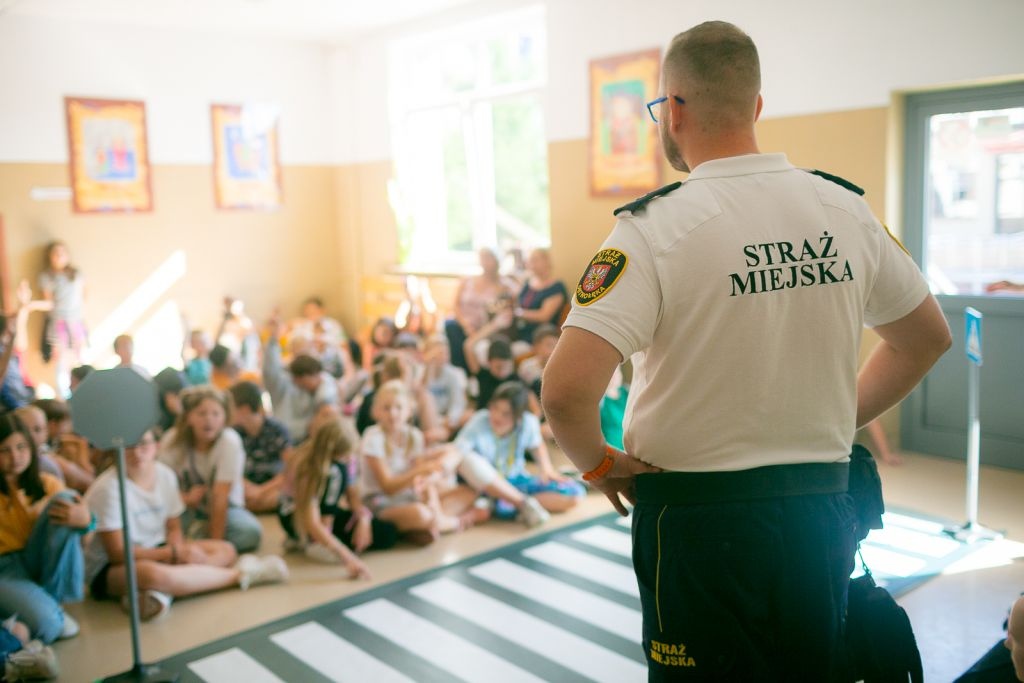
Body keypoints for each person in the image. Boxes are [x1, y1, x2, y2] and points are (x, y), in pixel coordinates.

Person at [541, 21, 952, 681]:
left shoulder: (651, 228)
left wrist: (600, 464)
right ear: (756, 106)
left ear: (673, 111)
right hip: (820, 509)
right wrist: (830, 418)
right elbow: (926, 338)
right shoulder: (842, 209)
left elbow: (564, 391)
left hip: (696, 525)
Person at [85, 429, 287, 621]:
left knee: (225, 550)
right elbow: (118, 553)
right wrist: (172, 555)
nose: (137, 453)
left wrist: (179, 550)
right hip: (112, 567)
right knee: (154, 574)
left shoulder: (164, 475)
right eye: (129, 447)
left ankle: (161, 593)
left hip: (158, 548)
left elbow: (173, 526)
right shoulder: (108, 488)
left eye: (143, 444)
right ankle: (242, 575)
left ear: (155, 446)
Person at [0, 413, 90, 644]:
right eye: (5, 450)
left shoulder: (46, 482)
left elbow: (84, 539)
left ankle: (52, 601)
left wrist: (87, 521)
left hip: (37, 558)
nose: (15, 456)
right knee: (50, 626)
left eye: (21, 447)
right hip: (5, 570)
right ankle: (43, 610)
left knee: (67, 498)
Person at [278, 417, 396, 575]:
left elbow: (352, 495)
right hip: (296, 515)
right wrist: (348, 557)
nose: (348, 460)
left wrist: (363, 519)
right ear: (331, 452)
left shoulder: (347, 460)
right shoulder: (308, 467)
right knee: (334, 475)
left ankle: (317, 539)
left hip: (324, 513)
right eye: (343, 457)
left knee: (385, 533)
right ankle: (310, 541)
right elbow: (311, 520)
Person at [158, 386, 263, 553]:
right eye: (201, 413)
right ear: (188, 417)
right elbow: (159, 487)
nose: (209, 420)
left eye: (216, 414)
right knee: (157, 532)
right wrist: (185, 498)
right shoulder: (172, 440)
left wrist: (216, 547)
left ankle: (194, 543)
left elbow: (220, 497)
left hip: (226, 509)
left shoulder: (230, 441)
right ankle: (190, 541)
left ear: (224, 418)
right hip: (183, 507)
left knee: (250, 532)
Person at [456, 381, 582, 519]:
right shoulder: (480, 420)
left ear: (518, 417)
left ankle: (506, 505)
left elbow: (537, 445)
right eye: (495, 408)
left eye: (506, 414)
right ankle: (512, 503)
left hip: (518, 481)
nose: (497, 416)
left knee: (575, 494)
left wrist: (546, 469)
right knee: (468, 460)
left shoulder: (528, 422)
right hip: (490, 486)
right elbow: (458, 451)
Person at [263, 316, 339, 443]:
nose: (304, 351)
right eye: (298, 348)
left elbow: (328, 407)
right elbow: (270, 371)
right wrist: (273, 339)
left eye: (309, 347)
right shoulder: (283, 383)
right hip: (283, 440)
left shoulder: (322, 381)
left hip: (309, 440)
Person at [445, 248, 518, 371]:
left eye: (489, 259)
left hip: (485, 326)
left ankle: (469, 373)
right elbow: (456, 305)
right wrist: (465, 325)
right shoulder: (467, 280)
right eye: (483, 259)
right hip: (464, 323)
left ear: (496, 261)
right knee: (450, 326)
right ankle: (458, 370)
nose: (485, 263)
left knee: (470, 343)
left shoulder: (503, 285)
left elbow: (513, 303)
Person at [229, 381, 291, 513]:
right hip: (245, 488)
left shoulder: (276, 430)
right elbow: (230, 469)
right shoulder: (233, 433)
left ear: (244, 409)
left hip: (273, 486)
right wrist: (247, 487)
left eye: (230, 407)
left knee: (284, 496)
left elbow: (291, 468)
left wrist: (261, 491)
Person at [36, 242, 87, 398]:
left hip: (76, 320)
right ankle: (63, 395)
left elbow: (84, 293)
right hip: (58, 322)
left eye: (62, 252)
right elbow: (49, 301)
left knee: (80, 355)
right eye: (56, 253)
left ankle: (85, 389)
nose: (59, 256)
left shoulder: (76, 274)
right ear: (50, 257)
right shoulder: (47, 277)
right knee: (60, 358)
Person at [513, 248, 567, 344]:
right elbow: (517, 302)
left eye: (535, 260)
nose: (532, 264)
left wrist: (519, 313)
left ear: (546, 261)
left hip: (541, 335)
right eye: (530, 261)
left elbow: (544, 316)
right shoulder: (527, 284)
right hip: (519, 331)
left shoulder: (556, 287)